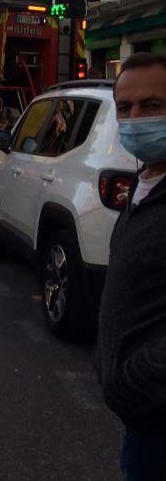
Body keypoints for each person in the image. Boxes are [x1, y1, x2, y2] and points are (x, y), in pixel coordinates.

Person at [96, 52, 166, 480]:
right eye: (125, 109)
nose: (136, 119)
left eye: (153, 106)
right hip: (141, 426)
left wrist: (129, 383)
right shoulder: (145, 179)